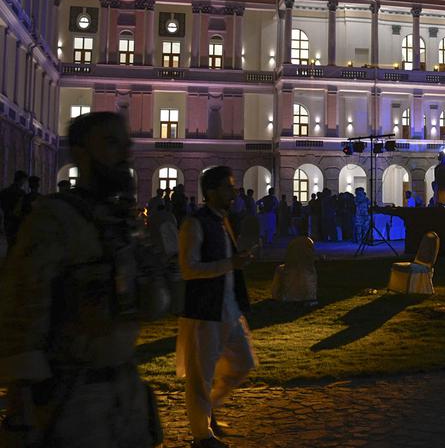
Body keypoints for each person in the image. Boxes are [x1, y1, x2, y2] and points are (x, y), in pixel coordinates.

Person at [0, 112, 169, 446]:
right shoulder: (55, 218)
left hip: (125, 389)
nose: (123, 154)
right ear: (79, 152)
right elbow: (22, 313)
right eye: (110, 143)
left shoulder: (122, 220)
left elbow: (153, 303)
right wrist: (23, 407)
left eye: (126, 145)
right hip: (73, 396)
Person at [176, 166, 258, 448]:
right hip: (204, 311)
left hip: (228, 308)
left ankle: (208, 410)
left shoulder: (223, 221)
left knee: (244, 362)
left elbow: (226, 263)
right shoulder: (194, 223)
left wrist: (239, 260)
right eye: (227, 187)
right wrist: (230, 264)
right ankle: (201, 436)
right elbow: (188, 269)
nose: (234, 192)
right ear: (211, 191)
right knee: (201, 377)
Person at [0, 170, 27, 248]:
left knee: (10, 244)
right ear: (21, 179)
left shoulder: (4, 192)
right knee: (17, 245)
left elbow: (2, 207)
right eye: (24, 180)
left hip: (7, 220)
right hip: (18, 221)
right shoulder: (21, 193)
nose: (24, 183)